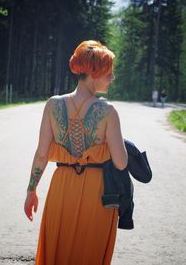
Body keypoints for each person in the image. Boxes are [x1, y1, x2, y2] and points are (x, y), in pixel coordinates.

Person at [24, 40, 128, 265]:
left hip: (61, 189)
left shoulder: (52, 105)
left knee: (58, 252)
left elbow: (41, 154)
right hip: (98, 195)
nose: (111, 78)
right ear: (93, 72)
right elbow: (121, 163)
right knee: (89, 253)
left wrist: (31, 191)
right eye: (108, 73)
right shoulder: (108, 111)